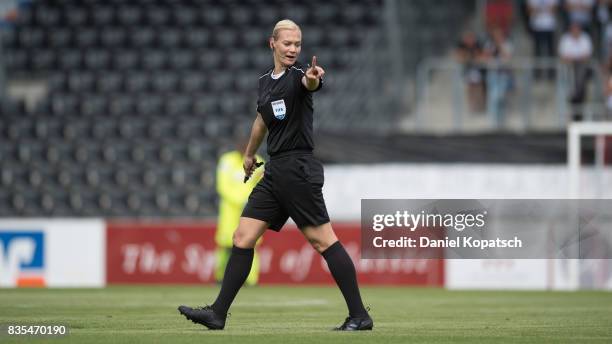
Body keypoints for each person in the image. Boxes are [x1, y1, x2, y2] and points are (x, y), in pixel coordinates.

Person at [178, 19, 373, 331]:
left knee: (323, 241)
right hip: (274, 171)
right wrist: (248, 154)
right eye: (287, 43)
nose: (293, 49)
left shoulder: (300, 78)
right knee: (242, 238)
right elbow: (261, 121)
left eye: (297, 44)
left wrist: (312, 78)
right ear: (273, 43)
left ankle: (360, 315)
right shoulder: (265, 82)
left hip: (297, 169)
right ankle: (217, 313)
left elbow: (311, 84)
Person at [215, 138, 264, 286]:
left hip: (251, 211)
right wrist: (240, 200)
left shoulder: (259, 162)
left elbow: (262, 185)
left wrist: (250, 201)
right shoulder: (227, 161)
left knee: (251, 244)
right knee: (226, 246)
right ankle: (220, 277)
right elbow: (222, 186)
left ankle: (250, 280)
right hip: (230, 212)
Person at [559, 22, 594, 120]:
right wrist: (576, 59)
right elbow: (563, 57)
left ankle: (577, 93)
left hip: (581, 69)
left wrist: (574, 59)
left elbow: (586, 56)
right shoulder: (565, 39)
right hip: (568, 70)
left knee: (581, 70)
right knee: (574, 72)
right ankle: (576, 93)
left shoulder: (585, 38)